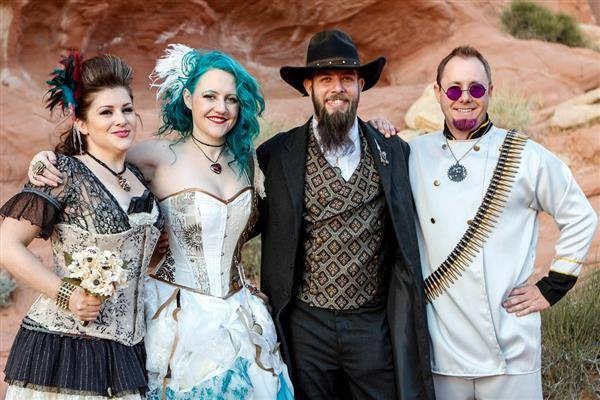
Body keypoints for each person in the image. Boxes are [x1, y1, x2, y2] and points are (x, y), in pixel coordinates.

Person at [27, 45, 293, 399]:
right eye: (209, 96)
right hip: (179, 316)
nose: (220, 108)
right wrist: (45, 159)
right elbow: (94, 161)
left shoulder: (249, 162)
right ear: (187, 98)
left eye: (231, 99)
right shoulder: (157, 156)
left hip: (242, 314)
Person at [381, 45, 598, 399]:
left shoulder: (524, 155)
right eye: (453, 89)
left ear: (490, 93)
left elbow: (580, 216)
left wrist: (552, 287)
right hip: (441, 349)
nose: (464, 98)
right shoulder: (412, 153)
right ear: (437, 94)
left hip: (509, 348)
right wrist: (379, 130)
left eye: (476, 89)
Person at [255, 30, 434, 400]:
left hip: (371, 324)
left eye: (347, 79)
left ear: (360, 85)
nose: (337, 89)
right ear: (308, 87)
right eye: (326, 80)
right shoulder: (276, 155)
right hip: (306, 326)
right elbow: (244, 220)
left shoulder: (393, 151)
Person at [0, 53, 163, 399]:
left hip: (130, 351)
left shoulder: (138, 177)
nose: (121, 120)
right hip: (66, 351)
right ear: (82, 122)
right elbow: (6, 244)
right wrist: (67, 294)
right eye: (106, 112)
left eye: (127, 109)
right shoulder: (63, 174)